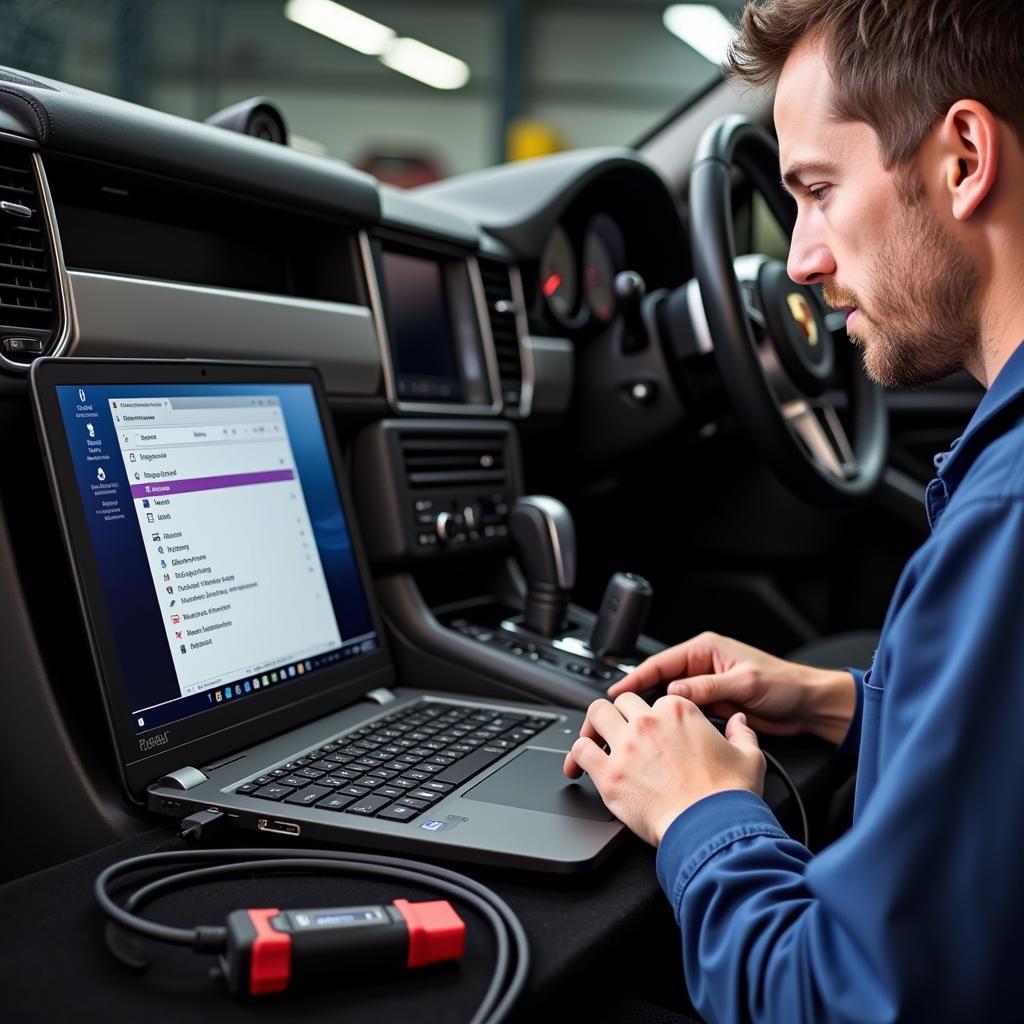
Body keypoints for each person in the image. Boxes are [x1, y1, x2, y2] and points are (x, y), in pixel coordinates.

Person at [562, 1, 1024, 1020]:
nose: (802, 261)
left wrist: (704, 810)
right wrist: (846, 701)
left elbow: (835, 999)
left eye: (817, 190)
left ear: (961, 158)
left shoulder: (1008, 513)